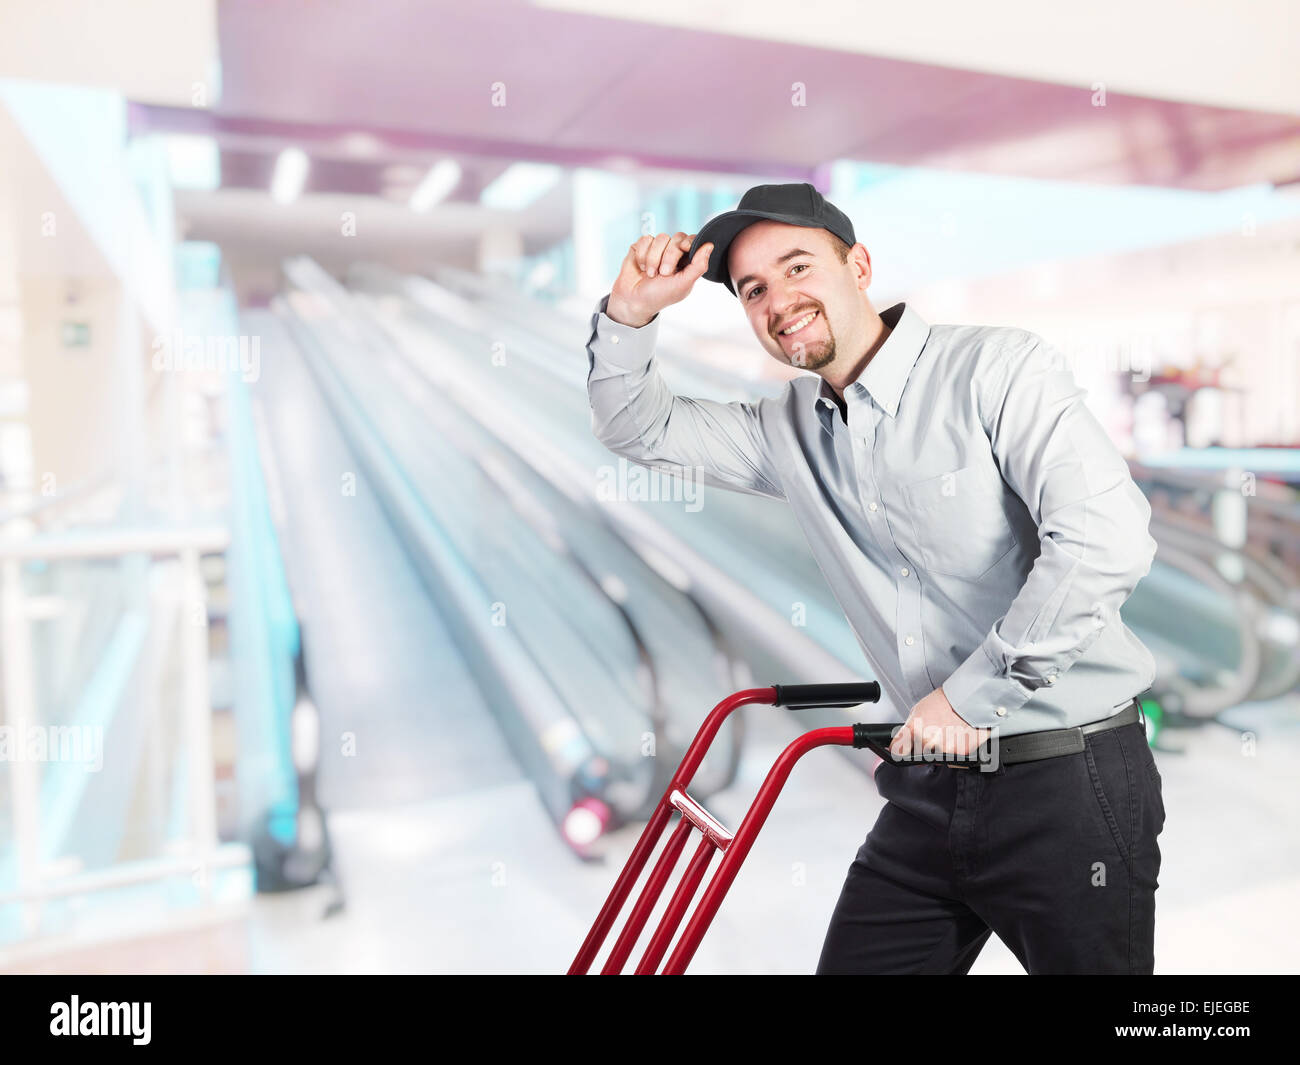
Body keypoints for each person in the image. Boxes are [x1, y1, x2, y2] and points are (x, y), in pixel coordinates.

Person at [584, 182, 1165, 975]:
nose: (779, 301)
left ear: (858, 264)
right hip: (925, 793)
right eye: (754, 290)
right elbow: (636, 425)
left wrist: (970, 696)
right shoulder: (782, 429)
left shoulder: (996, 368)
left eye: (798, 267)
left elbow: (1105, 539)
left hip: (1068, 783)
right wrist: (630, 311)